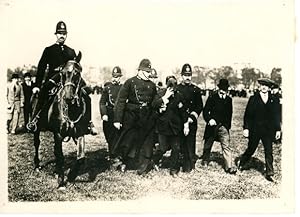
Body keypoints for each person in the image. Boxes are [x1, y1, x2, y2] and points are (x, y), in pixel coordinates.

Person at [26, 21, 97, 135]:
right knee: (43, 93)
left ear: (66, 35)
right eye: (59, 33)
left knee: (86, 94)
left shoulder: (71, 51)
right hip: (54, 79)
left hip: (69, 79)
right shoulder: (49, 50)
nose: (61, 35)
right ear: (56, 34)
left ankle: (89, 123)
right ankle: (35, 121)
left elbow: (75, 68)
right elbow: (41, 68)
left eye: (64, 33)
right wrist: (37, 86)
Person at [112, 59, 173, 175]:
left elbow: (154, 102)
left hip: (147, 118)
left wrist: (164, 99)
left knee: (147, 144)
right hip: (131, 117)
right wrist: (117, 119)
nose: (149, 74)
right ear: (139, 70)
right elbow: (120, 101)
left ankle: (143, 168)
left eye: (149, 71)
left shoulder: (152, 85)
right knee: (128, 143)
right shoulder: (130, 82)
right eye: (146, 71)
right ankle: (123, 162)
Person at [237, 78, 281, 182]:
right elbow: (248, 115)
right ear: (259, 87)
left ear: (269, 87)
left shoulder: (274, 99)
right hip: (255, 130)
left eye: (266, 85)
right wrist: (246, 128)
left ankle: (270, 173)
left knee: (269, 151)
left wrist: (278, 130)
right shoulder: (253, 98)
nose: (264, 87)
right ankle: (242, 163)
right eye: (262, 85)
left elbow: (276, 116)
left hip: (268, 131)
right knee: (251, 149)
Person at [152, 75, 187, 176]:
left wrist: (185, 124)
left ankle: (173, 170)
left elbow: (183, 112)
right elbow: (154, 105)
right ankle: (154, 160)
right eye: (170, 85)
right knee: (163, 148)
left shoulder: (179, 96)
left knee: (176, 148)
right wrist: (164, 99)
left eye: (174, 85)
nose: (172, 87)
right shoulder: (160, 94)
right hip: (163, 127)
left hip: (175, 127)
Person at [201, 79, 237, 174]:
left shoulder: (229, 100)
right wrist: (209, 120)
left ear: (227, 90)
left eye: (224, 89)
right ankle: (205, 160)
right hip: (212, 126)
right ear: (218, 88)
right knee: (208, 144)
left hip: (223, 127)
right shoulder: (212, 97)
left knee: (226, 146)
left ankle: (229, 166)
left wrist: (227, 126)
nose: (222, 91)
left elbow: (230, 114)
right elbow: (205, 111)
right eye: (221, 88)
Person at [177, 64, 203, 172]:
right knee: (179, 141)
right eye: (185, 75)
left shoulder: (196, 90)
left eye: (189, 75)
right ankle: (178, 162)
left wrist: (192, 117)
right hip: (179, 121)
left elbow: (199, 106)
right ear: (181, 75)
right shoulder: (177, 89)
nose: (187, 77)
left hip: (191, 121)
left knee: (190, 142)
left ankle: (190, 164)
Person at [99, 66, 123, 159]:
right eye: (114, 76)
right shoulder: (107, 88)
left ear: (120, 77)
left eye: (117, 76)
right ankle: (111, 152)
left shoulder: (123, 88)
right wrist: (104, 114)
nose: (115, 78)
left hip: (120, 113)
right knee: (109, 133)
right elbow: (102, 102)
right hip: (109, 113)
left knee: (119, 134)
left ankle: (119, 153)